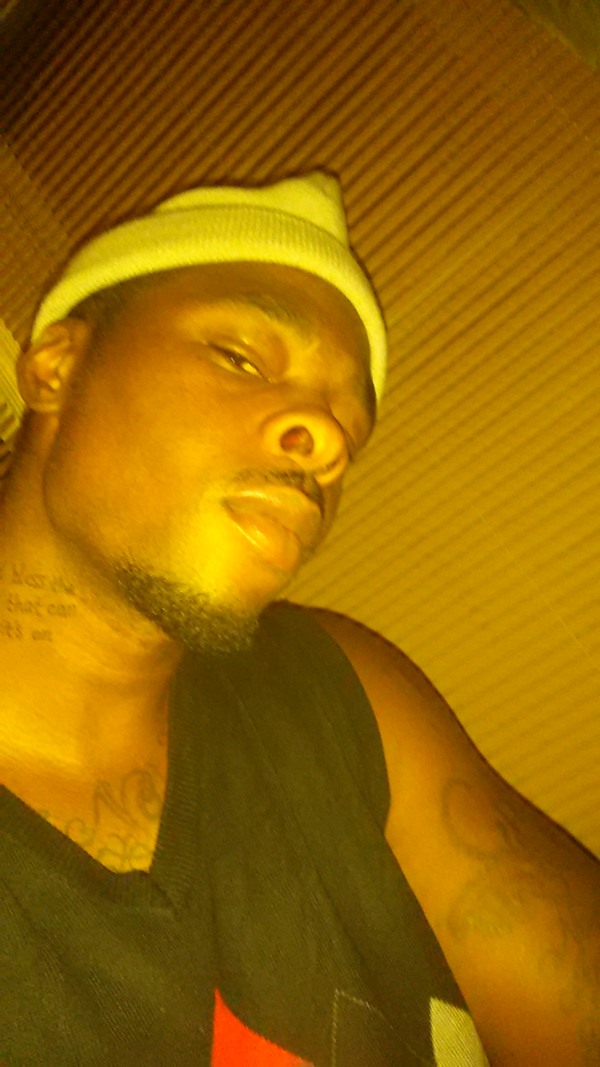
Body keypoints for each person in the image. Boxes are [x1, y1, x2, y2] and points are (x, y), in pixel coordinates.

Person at [0, 172, 598, 1067]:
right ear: (57, 365)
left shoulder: (336, 688)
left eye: (348, 426)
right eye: (241, 358)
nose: (325, 438)